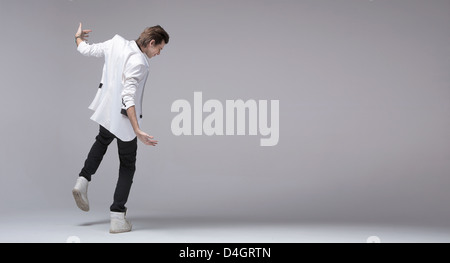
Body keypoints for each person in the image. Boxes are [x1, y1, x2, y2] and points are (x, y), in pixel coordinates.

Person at [71, 23, 169, 233]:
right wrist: (137, 130)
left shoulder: (116, 43)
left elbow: (87, 49)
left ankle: (83, 180)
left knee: (101, 141)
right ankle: (117, 216)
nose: (158, 53)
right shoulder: (139, 62)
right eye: (159, 49)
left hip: (107, 112)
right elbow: (128, 96)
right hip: (124, 121)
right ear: (151, 43)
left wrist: (77, 37)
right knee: (127, 165)